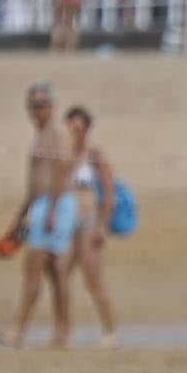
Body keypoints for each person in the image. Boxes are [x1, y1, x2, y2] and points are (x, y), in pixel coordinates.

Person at [2, 83, 76, 349]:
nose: (37, 110)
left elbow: (60, 173)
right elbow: (34, 182)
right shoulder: (39, 135)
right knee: (55, 272)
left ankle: (18, 330)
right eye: (33, 105)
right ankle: (63, 331)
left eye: (42, 105)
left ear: (51, 106)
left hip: (55, 205)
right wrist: (21, 217)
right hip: (40, 205)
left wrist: (52, 211)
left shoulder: (57, 134)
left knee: (33, 266)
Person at [64, 106, 119, 346]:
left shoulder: (94, 155)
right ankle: (65, 331)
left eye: (79, 126)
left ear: (86, 128)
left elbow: (108, 192)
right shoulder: (63, 154)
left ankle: (110, 331)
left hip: (89, 222)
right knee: (61, 275)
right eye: (71, 126)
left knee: (92, 279)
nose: (75, 131)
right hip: (67, 223)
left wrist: (101, 226)